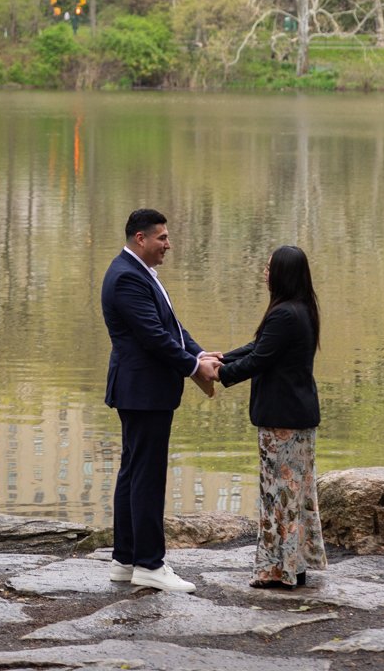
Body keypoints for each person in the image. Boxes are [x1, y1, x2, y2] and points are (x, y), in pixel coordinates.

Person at [101, 208, 222, 593]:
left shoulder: (139, 273)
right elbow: (154, 336)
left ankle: (126, 559)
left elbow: (172, 327)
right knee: (146, 477)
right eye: (162, 238)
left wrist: (199, 355)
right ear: (141, 239)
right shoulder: (125, 278)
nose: (168, 245)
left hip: (143, 390)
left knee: (134, 472)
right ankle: (150, 564)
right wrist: (193, 368)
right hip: (143, 391)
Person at [217, 244, 326, 589]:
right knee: (295, 495)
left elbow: (258, 359)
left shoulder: (284, 314)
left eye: (268, 268)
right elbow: (258, 346)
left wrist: (218, 374)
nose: (264, 273)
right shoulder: (302, 310)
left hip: (282, 420)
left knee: (277, 496)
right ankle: (295, 565)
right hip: (298, 417)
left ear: (282, 274)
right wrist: (220, 358)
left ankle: (278, 570)